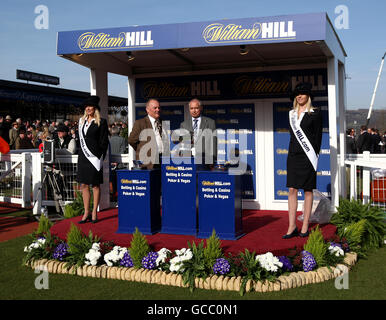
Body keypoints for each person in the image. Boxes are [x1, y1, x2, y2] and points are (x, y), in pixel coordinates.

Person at [284, 82, 323, 239]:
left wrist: (314, 157)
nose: (299, 96)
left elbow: (318, 138)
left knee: (307, 190)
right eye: (297, 94)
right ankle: (292, 226)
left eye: (302, 93)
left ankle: (305, 225)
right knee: (292, 190)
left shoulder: (315, 113)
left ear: (308, 96)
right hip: (293, 156)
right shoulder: (291, 114)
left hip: (308, 157)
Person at [76, 96, 109, 224]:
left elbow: (104, 141)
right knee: (83, 185)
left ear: (95, 108)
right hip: (83, 157)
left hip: (95, 157)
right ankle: (86, 212)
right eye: (86, 106)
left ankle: (95, 211)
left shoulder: (101, 121)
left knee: (95, 185)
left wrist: (100, 157)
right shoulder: (81, 121)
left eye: (90, 106)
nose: (88, 108)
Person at [128, 98, 165, 169]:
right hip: (148, 163)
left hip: (162, 161)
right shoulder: (140, 123)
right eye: (155, 108)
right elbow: (131, 140)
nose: (158, 110)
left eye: (159, 108)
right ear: (147, 110)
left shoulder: (162, 122)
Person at [180, 98, 217, 168]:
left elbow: (213, 142)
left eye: (196, 108)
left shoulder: (210, 122)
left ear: (201, 108)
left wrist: (212, 160)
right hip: (189, 160)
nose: (194, 111)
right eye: (191, 108)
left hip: (205, 161)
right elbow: (183, 144)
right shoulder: (184, 125)